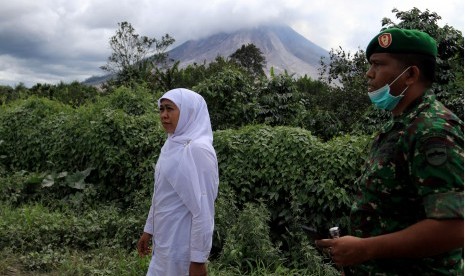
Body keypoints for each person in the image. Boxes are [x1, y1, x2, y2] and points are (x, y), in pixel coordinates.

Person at [316, 28, 464, 275]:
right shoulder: (397, 126)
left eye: (378, 65)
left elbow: (454, 227)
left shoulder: (432, 130)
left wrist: (366, 249)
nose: (369, 73)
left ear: (410, 75)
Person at [137, 88, 219, 276]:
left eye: (170, 109)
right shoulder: (171, 144)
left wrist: (198, 260)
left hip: (182, 248)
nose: (164, 115)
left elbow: (204, 209)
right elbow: (161, 194)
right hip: (164, 243)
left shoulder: (198, 150)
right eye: (161, 109)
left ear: (189, 111)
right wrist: (148, 230)